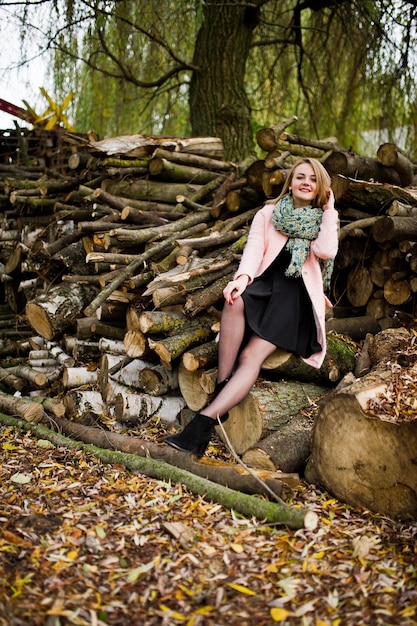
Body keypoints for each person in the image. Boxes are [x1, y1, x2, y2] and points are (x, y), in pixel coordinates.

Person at [166, 157, 339, 456]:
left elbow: (327, 251)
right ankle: (223, 389)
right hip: (264, 286)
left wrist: (329, 210)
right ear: (290, 182)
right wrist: (241, 279)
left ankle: (203, 424)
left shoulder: (322, 219)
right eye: (300, 176)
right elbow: (254, 249)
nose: (306, 182)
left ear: (321, 186)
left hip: (296, 297)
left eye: (313, 178)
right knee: (234, 303)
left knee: (250, 356)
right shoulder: (269, 213)